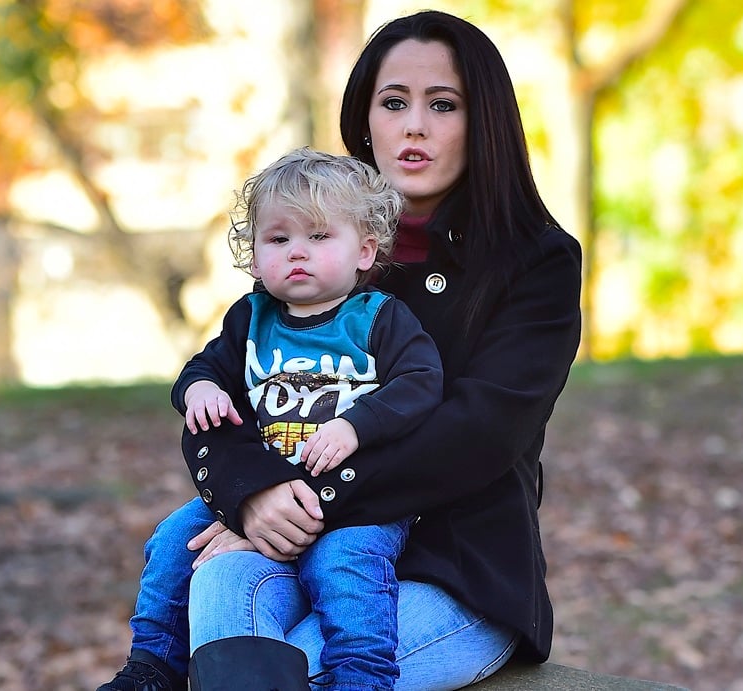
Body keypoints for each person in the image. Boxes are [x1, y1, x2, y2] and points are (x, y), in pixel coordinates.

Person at [180, 9, 583, 691]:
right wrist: (247, 496)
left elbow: (478, 433)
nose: (414, 126)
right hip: (300, 546)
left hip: (454, 565)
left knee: (299, 673)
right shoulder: (319, 249)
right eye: (394, 102)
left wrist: (300, 498)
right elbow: (229, 382)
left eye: (443, 104)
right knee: (221, 598)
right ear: (365, 119)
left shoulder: (536, 262)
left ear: (483, 122)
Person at [98, 148, 443, 691]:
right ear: (255, 257)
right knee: (172, 540)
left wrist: (356, 425)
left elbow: (422, 382)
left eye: (319, 237)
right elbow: (203, 367)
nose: (297, 253)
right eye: (279, 240)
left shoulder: (377, 318)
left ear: (364, 250)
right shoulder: (250, 318)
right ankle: (152, 666)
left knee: (347, 571)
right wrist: (202, 388)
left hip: (357, 499)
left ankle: (363, 677)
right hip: (263, 486)